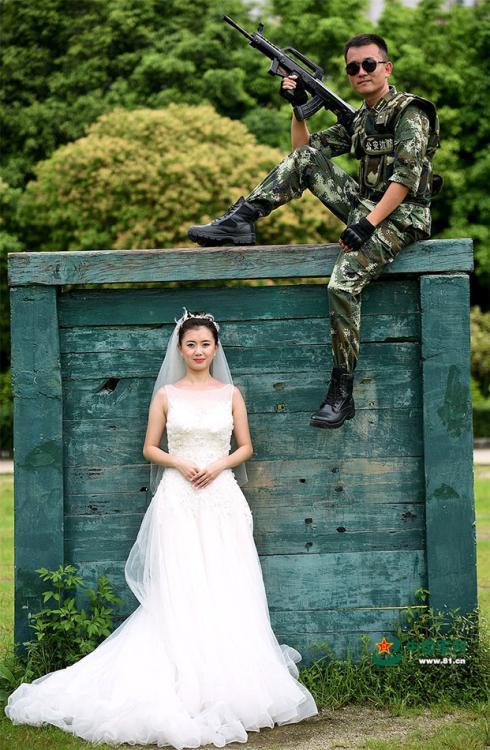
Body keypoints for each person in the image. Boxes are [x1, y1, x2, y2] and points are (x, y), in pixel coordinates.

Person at [4, 308, 318, 747]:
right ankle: (180, 679)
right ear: (180, 348)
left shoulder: (231, 393)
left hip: (222, 497)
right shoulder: (166, 394)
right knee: (181, 584)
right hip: (178, 496)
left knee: (227, 583)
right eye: (190, 344)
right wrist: (180, 462)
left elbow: (246, 446)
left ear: (215, 347)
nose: (198, 351)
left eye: (205, 344)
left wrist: (217, 465)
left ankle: (230, 682)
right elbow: (150, 448)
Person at [187, 33, 440, 430]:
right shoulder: (362, 120)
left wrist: (365, 225)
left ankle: (342, 391)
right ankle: (242, 220)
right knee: (306, 159)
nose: (361, 73)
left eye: (369, 64)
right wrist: (297, 109)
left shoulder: (411, 113)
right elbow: (302, 153)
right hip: (365, 208)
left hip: (401, 216)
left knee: (341, 286)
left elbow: (406, 180)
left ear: (386, 68)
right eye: (353, 67)